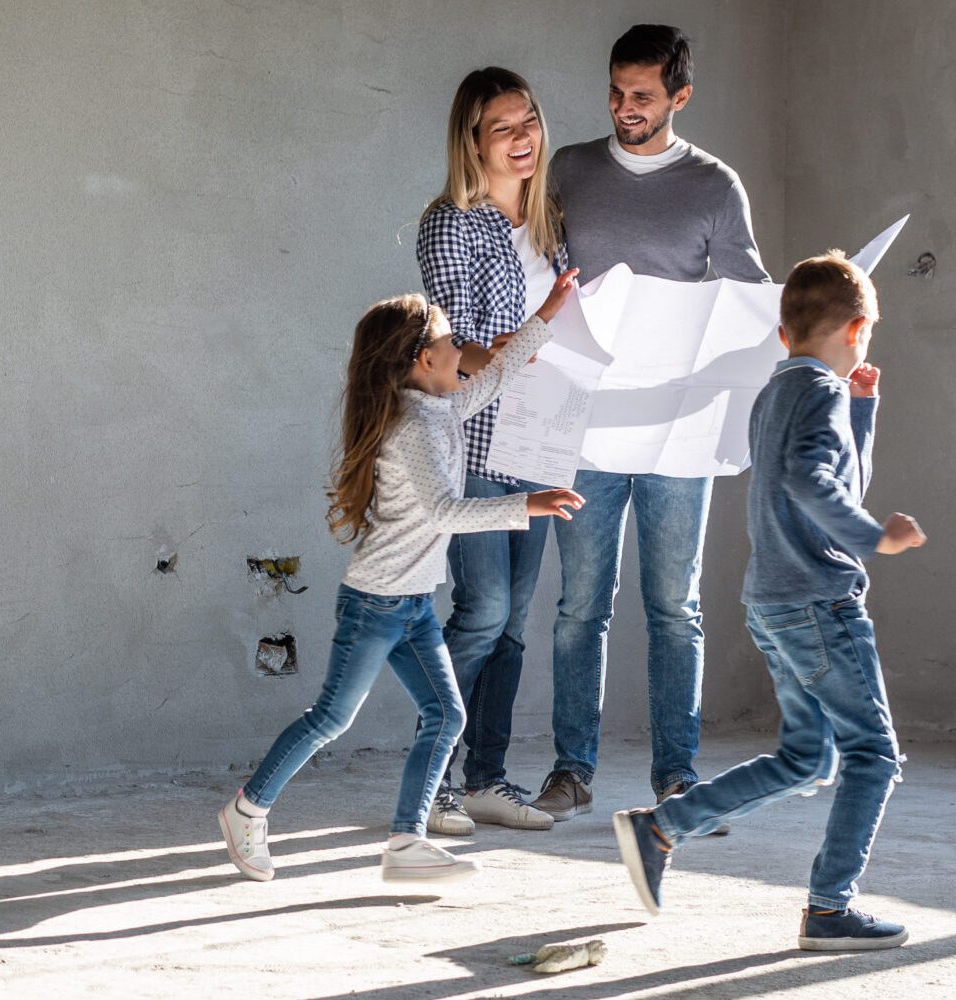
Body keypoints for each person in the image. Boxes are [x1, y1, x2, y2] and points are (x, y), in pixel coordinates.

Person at [219, 280, 585, 884]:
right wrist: (528, 505)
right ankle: (246, 810)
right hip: (376, 602)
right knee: (331, 719)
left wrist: (545, 315)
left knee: (445, 715)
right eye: (452, 341)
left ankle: (406, 844)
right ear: (425, 359)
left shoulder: (438, 409)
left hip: (411, 602)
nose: (462, 351)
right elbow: (443, 512)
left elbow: (493, 379)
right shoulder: (412, 426)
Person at [611, 250, 926, 951]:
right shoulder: (820, 392)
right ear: (857, 329)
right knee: (873, 755)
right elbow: (814, 482)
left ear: (784, 335)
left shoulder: (782, 388)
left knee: (807, 759)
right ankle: (828, 909)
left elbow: (833, 472)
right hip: (818, 602)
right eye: (866, 337)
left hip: (775, 601)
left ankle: (662, 828)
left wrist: (865, 410)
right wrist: (876, 539)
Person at [530, 23, 771, 823]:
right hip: (586, 424)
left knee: (676, 607)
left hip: (677, 429)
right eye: (615, 91)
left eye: (642, 96)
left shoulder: (713, 185)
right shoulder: (571, 169)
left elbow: (747, 298)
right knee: (579, 607)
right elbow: (539, 271)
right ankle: (572, 770)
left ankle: (677, 775)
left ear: (680, 97)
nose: (624, 108)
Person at [415, 67, 571, 835]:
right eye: (503, 128)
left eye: (530, 122)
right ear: (472, 141)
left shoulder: (549, 226)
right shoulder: (452, 222)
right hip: (476, 438)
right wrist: (530, 341)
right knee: (482, 611)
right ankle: (432, 780)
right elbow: (455, 348)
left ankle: (487, 779)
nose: (523, 139)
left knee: (513, 624)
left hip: (540, 442)